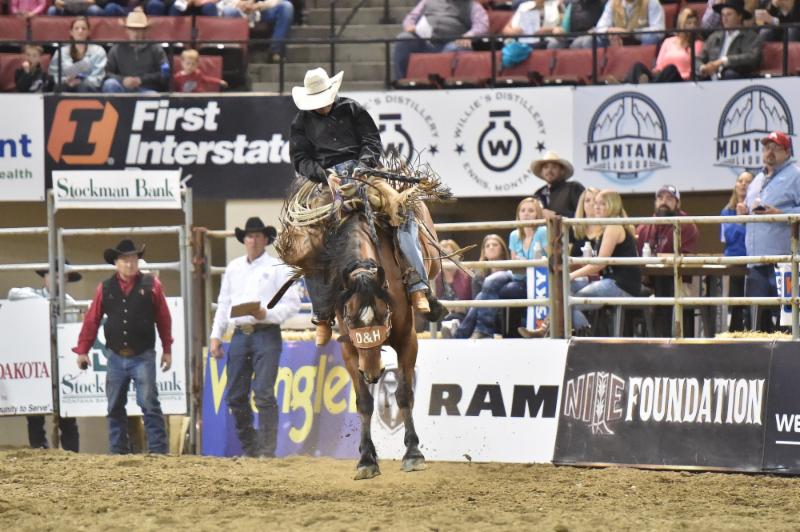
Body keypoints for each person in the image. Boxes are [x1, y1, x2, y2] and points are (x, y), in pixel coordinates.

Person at [289, 67, 442, 345]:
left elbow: (371, 141)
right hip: (327, 183)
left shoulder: (352, 109)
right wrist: (325, 175)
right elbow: (301, 159)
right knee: (310, 245)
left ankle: (418, 285)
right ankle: (322, 314)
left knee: (401, 213)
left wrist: (362, 167)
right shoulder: (301, 122)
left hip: (367, 174)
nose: (321, 106)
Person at [209, 217, 300, 458]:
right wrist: (216, 335)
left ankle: (265, 450)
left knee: (263, 392)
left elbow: (292, 303)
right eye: (250, 236)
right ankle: (252, 448)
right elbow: (224, 303)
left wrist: (266, 314)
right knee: (236, 395)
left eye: (258, 236)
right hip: (241, 333)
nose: (253, 240)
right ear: (244, 240)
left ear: (266, 240)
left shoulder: (278, 267)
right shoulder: (234, 268)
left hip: (266, 332)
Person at [72, 239, 173, 454]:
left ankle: (158, 450)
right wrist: (82, 350)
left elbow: (163, 318)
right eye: (125, 260)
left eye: (133, 259)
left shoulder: (152, 285)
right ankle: (118, 450)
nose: (130, 264)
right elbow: (92, 320)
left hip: (142, 354)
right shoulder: (105, 288)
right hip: (116, 356)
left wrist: (167, 348)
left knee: (148, 403)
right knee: (115, 405)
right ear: (116, 263)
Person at [8, 261, 82, 452]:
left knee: (67, 413)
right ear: (45, 278)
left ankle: (72, 453)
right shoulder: (31, 295)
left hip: (60, 361)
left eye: (62, 277)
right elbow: (12, 293)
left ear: (67, 280)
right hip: (37, 362)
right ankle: (39, 449)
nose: (57, 280)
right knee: (35, 412)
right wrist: (46, 303)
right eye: (53, 276)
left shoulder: (70, 303)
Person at [455, 198, 548, 340]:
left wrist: (525, 263)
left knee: (484, 296)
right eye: (523, 210)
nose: (526, 214)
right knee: (490, 281)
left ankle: (465, 334)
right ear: (518, 214)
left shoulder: (542, 231)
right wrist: (522, 264)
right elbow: (515, 268)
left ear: (538, 214)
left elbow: (551, 258)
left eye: (531, 210)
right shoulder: (514, 235)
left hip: (538, 279)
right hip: (518, 276)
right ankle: (482, 331)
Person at [738, 131, 800, 332]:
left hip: (784, 262)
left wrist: (782, 214)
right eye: (766, 148)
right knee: (755, 321)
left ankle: (791, 351)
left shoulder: (796, 175)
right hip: (755, 261)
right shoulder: (757, 179)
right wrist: (744, 212)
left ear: (787, 152)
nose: (769, 152)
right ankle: (757, 352)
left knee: (787, 320)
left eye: (776, 148)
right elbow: (752, 212)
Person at [569, 190, 641, 334]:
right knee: (563, 291)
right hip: (609, 281)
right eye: (596, 203)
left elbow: (600, 263)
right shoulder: (606, 227)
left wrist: (571, 275)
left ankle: (585, 337)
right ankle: (548, 328)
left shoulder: (613, 226)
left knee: (570, 303)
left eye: (602, 204)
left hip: (622, 284)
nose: (596, 207)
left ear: (612, 205)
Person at [636, 184, 700, 337]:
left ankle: (667, 338)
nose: (663, 202)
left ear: (678, 203)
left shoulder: (686, 225)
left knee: (665, 284)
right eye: (660, 198)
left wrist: (660, 258)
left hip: (678, 281)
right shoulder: (644, 226)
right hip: (648, 281)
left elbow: (687, 258)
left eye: (669, 198)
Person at [393, 0, 489, 80]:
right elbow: (411, 17)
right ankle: (401, 82)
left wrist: (468, 36)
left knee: (454, 48)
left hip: (453, 43)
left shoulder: (472, 5)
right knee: (403, 39)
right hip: (426, 43)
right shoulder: (427, 1)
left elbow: (482, 25)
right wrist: (409, 25)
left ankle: (443, 86)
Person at [450, 234, 510, 338]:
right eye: (488, 246)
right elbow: (476, 303)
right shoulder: (478, 277)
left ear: (503, 250)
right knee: (479, 297)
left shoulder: (509, 273)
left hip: (501, 315)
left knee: (482, 294)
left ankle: (460, 334)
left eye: (495, 245)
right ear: (484, 252)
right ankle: (465, 333)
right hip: (482, 317)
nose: (491, 247)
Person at [625, 7, 704, 83]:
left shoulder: (697, 44)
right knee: (637, 66)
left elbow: (696, 66)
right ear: (682, 25)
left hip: (681, 80)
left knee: (671, 69)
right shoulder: (668, 41)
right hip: (661, 78)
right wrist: (655, 72)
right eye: (689, 23)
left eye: (695, 23)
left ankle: (648, 86)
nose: (693, 26)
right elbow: (658, 66)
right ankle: (637, 84)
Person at [102, 10, 169, 93]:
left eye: (139, 30)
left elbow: (164, 73)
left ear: (145, 31)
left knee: (152, 95)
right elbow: (107, 72)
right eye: (132, 29)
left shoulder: (156, 48)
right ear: (127, 30)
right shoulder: (117, 48)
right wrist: (123, 80)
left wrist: (141, 80)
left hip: (147, 89)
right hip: (123, 87)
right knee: (110, 84)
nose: (135, 34)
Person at [695, 0, 761, 80]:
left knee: (729, 74)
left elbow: (752, 57)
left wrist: (724, 61)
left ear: (739, 16)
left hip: (735, 78)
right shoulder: (714, 36)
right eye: (723, 15)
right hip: (710, 78)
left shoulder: (750, 36)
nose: (725, 18)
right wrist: (702, 68)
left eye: (729, 14)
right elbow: (698, 58)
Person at [721, 171, 754, 331]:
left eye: (748, 181)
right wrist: (741, 222)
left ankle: (756, 329)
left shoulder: (758, 209)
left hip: (754, 259)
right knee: (736, 298)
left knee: (755, 298)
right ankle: (735, 330)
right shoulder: (727, 211)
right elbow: (729, 237)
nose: (743, 184)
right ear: (735, 185)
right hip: (735, 260)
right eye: (740, 180)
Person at [571, 0, 665, 49]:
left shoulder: (651, 2)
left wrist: (631, 33)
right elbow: (600, 28)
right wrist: (610, 31)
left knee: (651, 39)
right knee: (588, 41)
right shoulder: (613, 3)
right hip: (614, 42)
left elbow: (659, 31)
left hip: (640, 44)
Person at [220, 0, 294, 61]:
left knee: (286, 7)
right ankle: (236, 56)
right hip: (234, 8)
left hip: (258, 11)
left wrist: (257, 5)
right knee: (228, 11)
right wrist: (240, 3)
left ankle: (275, 51)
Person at [49, 17, 107, 93]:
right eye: (76, 28)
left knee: (83, 87)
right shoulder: (61, 52)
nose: (80, 31)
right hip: (66, 85)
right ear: (71, 32)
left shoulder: (98, 51)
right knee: (60, 87)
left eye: (83, 28)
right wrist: (66, 80)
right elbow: (54, 74)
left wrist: (81, 81)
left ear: (89, 32)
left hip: (89, 88)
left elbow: (98, 77)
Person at [531, 151, 585, 219]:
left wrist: (557, 215)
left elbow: (584, 213)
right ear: (541, 172)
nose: (549, 171)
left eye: (554, 167)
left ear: (562, 171)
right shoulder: (538, 193)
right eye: (546, 167)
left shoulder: (573, 188)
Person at [435, 239, 472, 335]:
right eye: (443, 255)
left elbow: (475, 302)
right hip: (441, 315)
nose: (446, 257)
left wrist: (462, 307)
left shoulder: (468, 276)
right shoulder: (435, 278)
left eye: (450, 254)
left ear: (458, 256)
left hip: (462, 316)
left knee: (454, 319)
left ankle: (451, 331)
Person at [501, 0, 566, 50]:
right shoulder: (524, 6)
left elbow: (563, 29)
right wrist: (513, 31)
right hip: (523, 40)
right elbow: (506, 29)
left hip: (546, 40)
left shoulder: (557, 5)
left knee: (554, 44)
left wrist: (550, 30)